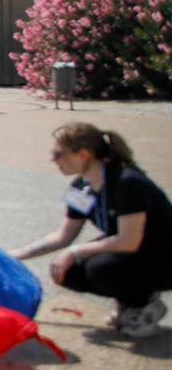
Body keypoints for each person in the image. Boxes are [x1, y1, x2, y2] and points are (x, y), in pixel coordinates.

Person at [15, 124, 170, 338]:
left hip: (163, 256)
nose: (53, 159)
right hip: (135, 254)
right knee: (66, 272)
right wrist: (12, 256)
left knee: (99, 268)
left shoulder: (128, 183)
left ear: (83, 155)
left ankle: (143, 304)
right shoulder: (82, 186)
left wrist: (74, 251)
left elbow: (128, 242)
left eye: (58, 153)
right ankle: (130, 300)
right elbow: (63, 236)